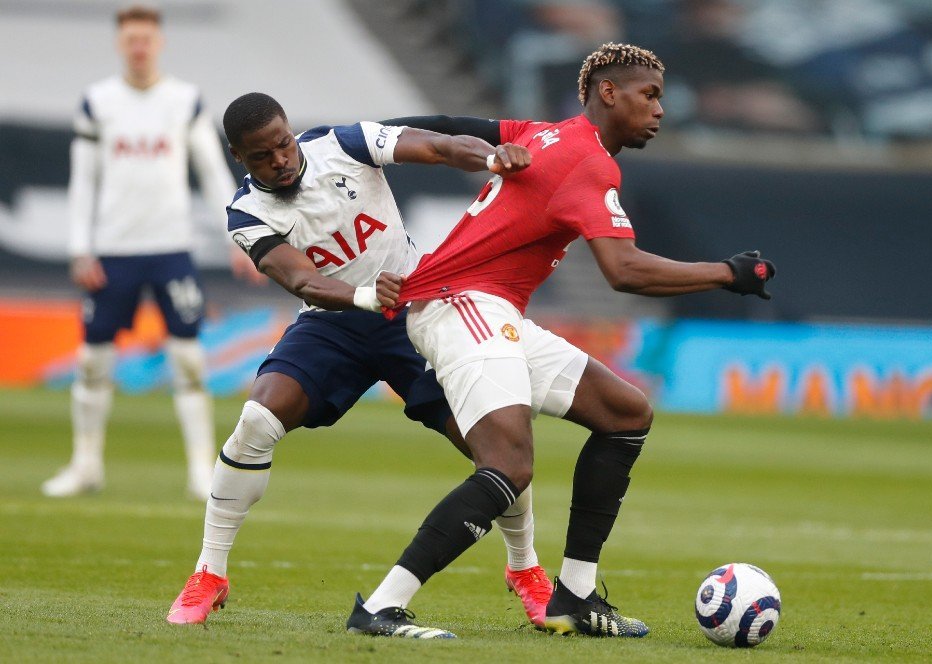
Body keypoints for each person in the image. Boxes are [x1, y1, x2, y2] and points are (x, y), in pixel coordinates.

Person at [347, 42, 777, 639]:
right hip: (461, 302)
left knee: (626, 413)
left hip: (488, 308)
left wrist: (352, 137)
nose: (659, 110)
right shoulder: (588, 161)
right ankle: (379, 608)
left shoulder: (541, 133)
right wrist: (727, 274)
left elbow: (447, 126)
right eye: (648, 95)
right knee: (509, 467)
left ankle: (572, 598)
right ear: (608, 92)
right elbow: (623, 271)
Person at [166, 92, 552, 634]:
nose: (279, 159)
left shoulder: (342, 143)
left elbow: (438, 146)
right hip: (335, 323)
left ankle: (526, 570)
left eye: (282, 143)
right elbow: (303, 280)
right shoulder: (246, 213)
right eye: (261, 156)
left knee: (498, 446)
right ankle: (210, 572)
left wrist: (489, 158)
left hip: (418, 311)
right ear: (239, 157)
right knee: (257, 417)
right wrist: (367, 295)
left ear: (289, 130)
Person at [42, 5, 266, 501]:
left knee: (187, 359)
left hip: (171, 250)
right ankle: (85, 465)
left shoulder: (183, 101)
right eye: (131, 39)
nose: (139, 47)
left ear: (158, 42)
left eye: (146, 38)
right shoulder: (97, 102)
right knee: (93, 361)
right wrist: (81, 248)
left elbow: (212, 172)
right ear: (121, 44)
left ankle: (200, 474)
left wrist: (240, 235)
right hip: (114, 250)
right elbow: (84, 181)